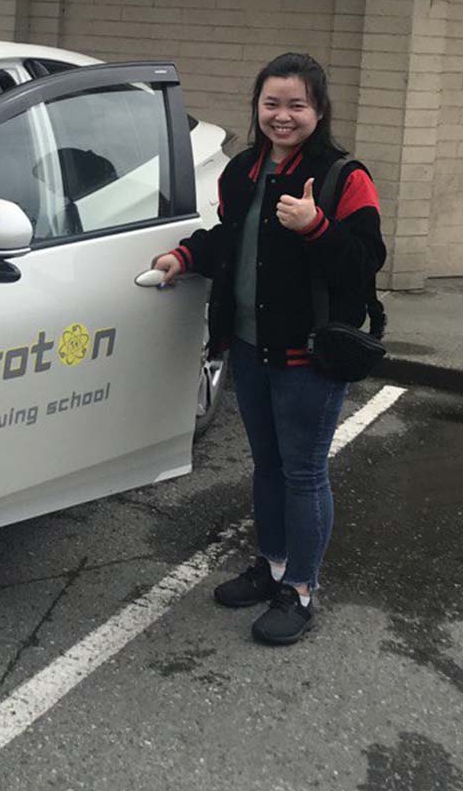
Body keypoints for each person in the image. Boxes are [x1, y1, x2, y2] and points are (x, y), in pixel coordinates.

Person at [153, 52, 385, 645]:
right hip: (250, 350)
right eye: (271, 104)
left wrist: (316, 226)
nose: (283, 116)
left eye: (296, 105)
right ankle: (272, 565)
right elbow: (231, 238)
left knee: (304, 473)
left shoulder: (342, 177)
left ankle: (301, 590)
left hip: (311, 356)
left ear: (319, 110)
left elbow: (364, 266)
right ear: (257, 107)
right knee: (268, 466)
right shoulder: (244, 172)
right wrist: (184, 256)